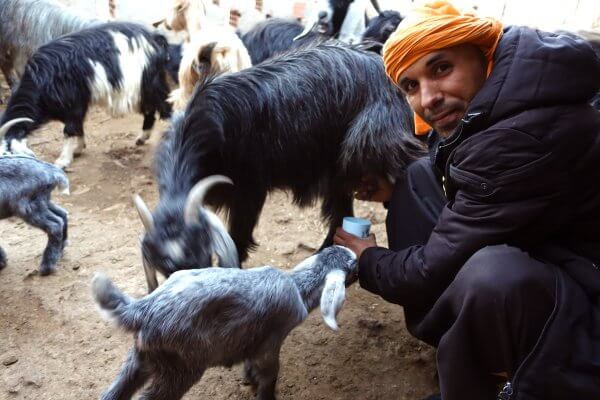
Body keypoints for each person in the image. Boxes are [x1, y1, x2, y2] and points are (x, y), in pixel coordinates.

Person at [334, 2, 600, 399]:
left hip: (587, 304)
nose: (428, 99)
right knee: (419, 175)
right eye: (410, 85)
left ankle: (515, 374)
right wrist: (394, 193)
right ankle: (470, 334)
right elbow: (462, 176)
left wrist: (367, 258)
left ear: (483, 52)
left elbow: (427, 268)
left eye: (441, 68)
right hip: (564, 251)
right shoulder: (513, 92)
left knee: (491, 275)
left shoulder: (517, 139)